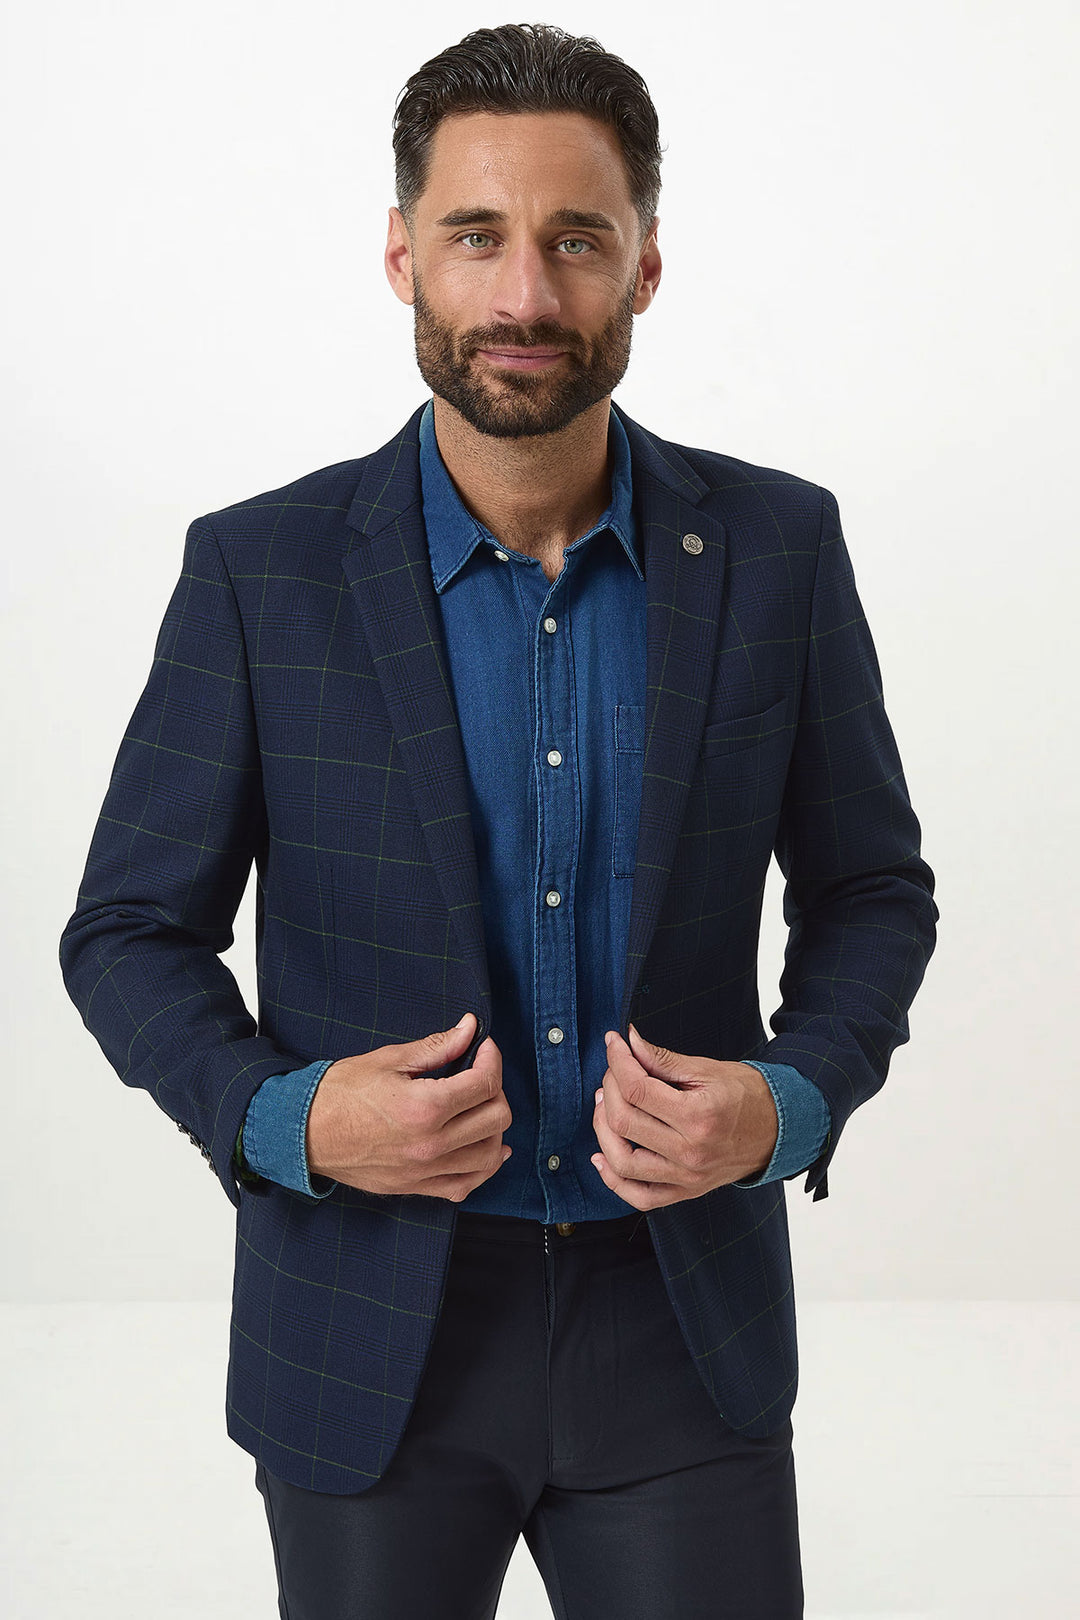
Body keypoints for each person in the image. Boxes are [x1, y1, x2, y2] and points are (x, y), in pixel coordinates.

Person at [58, 21, 938, 1619]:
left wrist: (792, 1101)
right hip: (367, 1332)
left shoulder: (779, 550)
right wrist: (283, 1118)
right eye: (476, 235)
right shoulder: (260, 573)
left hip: (682, 1338)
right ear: (402, 253)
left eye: (576, 239)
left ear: (646, 268)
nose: (524, 295)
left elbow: (873, 888)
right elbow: (126, 932)